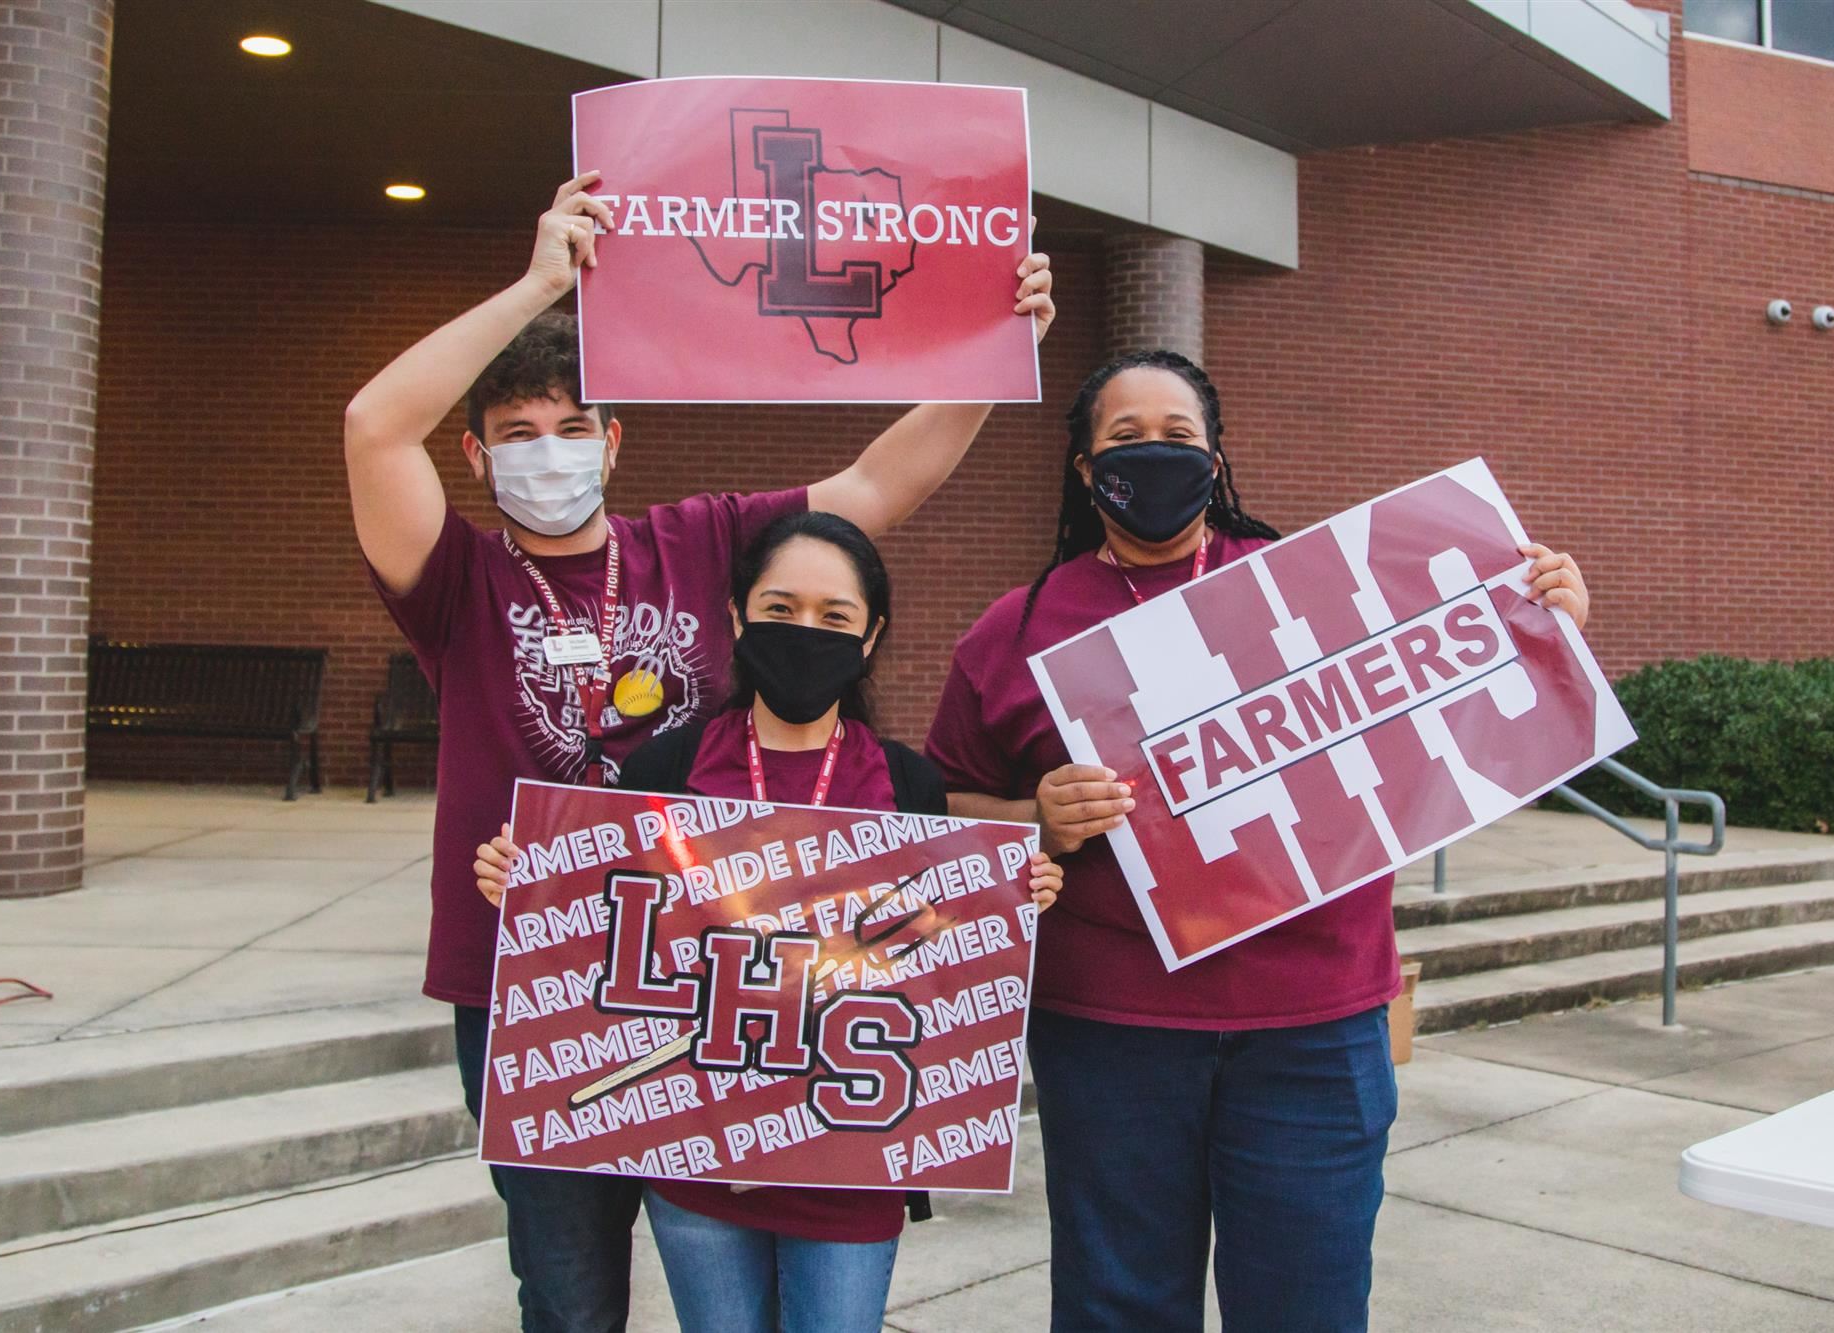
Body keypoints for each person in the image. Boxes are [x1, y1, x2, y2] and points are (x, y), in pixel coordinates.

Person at [344, 173, 1053, 1333]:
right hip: (531, 979)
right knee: (570, 1292)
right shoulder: (457, 581)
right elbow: (373, 426)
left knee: (727, 1262)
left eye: (571, 428)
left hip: (721, 974)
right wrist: (536, 284)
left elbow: (878, 485)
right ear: (472, 457)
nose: (546, 452)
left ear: (613, 439)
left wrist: (992, 342)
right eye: (515, 435)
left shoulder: (701, 539)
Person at [925, 348, 1591, 1332]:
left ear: (1215, 457)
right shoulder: (1012, 631)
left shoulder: (1319, 590)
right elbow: (936, 806)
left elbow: (1468, 710)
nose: (1152, 457)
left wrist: (1546, 629)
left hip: (1313, 1027)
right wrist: (1035, 818)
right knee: (1116, 1309)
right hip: (1113, 1035)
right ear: (1079, 468)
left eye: (1177, 438)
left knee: (1305, 1306)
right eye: (1123, 439)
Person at [472, 511, 1064, 1333]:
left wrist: (1008, 898)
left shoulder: (909, 784)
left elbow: (936, 966)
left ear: (871, 635)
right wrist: (529, 885)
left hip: (852, 1163)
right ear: (737, 615)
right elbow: (608, 932)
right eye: (780, 609)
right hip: (699, 1161)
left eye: (835, 617)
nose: (805, 632)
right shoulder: (665, 768)